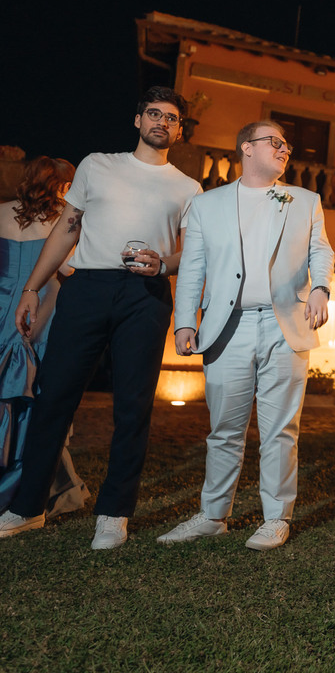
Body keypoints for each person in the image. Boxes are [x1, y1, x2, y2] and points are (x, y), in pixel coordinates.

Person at [0, 86, 201, 550]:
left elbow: (193, 252)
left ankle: (114, 513)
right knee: (54, 397)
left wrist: (164, 265)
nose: (162, 122)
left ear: (179, 130)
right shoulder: (98, 165)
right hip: (87, 288)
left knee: (133, 406)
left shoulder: (188, 188)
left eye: (171, 118)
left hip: (146, 295)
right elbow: (66, 230)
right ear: (137, 120)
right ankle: (28, 507)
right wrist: (31, 289)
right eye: (154, 113)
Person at [158, 120, 333, 551]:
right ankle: (213, 515)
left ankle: (276, 518)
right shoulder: (207, 204)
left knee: (281, 430)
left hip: (284, 325)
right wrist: (185, 321)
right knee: (223, 430)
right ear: (246, 148)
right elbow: (193, 265)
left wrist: (321, 288)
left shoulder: (305, 200)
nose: (284, 149)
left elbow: (320, 249)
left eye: (286, 144)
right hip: (226, 326)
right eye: (274, 142)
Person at [0, 157, 89, 516]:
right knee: (38, 398)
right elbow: (68, 266)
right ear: (64, 186)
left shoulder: (2, 211)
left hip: (3, 309)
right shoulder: (64, 220)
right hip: (41, 311)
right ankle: (32, 485)